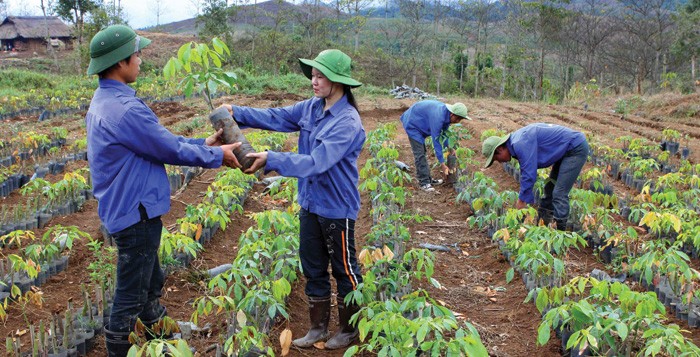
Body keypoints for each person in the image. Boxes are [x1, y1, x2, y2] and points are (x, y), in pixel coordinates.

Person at [85, 24, 241, 357]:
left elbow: (160, 142)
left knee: (150, 285)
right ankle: (121, 350)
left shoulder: (108, 101)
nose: (141, 60)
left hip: (128, 208)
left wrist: (202, 143)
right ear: (120, 62)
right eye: (137, 54)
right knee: (129, 297)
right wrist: (218, 154)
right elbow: (167, 149)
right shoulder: (125, 109)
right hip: (135, 213)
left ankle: (166, 342)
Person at [218, 49, 364, 350]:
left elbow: (316, 162)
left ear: (338, 80)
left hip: (337, 206)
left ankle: (350, 329)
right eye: (312, 75)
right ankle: (318, 328)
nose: (314, 80)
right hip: (310, 202)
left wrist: (272, 158)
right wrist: (238, 113)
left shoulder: (347, 121)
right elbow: (278, 116)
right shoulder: (312, 107)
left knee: (344, 269)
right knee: (312, 266)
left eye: (320, 75)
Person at [481, 123, 589, 230]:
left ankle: (560, 234)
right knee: (549, 189)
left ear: (500, 149)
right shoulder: (516, 143)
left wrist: (522, 200)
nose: (499, 162)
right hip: (565, 149)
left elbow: (529, 174)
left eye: (496, 158)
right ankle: (542, 227)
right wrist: (524, 198)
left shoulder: (520, 143)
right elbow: (526, 171)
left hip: (575, 148)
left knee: (559, 193)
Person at [400, 100, 472, 192]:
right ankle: (424, 183)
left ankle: (429, 180)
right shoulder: (438, 117)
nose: (458, 121)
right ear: (452, 114)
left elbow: (444, 134)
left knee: (422, 152)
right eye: (458, 119)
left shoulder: (447, 115)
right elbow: (437, 141)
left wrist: (450, 148)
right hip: (413, 123)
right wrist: (442, 164)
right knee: (420, 153)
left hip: (421, 120)